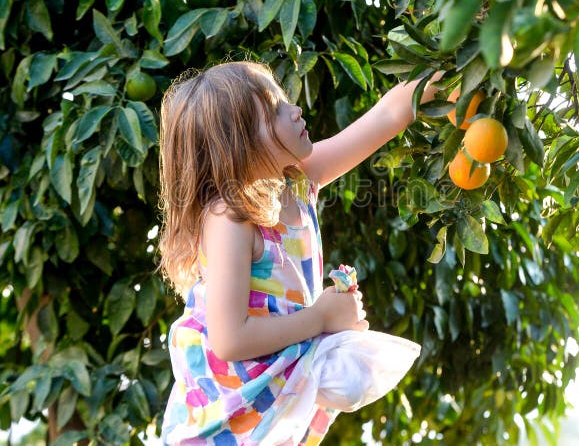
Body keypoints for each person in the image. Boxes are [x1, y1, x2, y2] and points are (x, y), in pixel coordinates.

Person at [157, 61, 439, 445]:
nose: (295, 111)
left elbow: (389, 113)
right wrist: (321, 317)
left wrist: (457, 71)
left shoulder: (298, 181)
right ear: (239, 143)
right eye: (274, 111)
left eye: (284, 101)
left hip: (269, 408)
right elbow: (229, 340)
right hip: (224, 417)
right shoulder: (230, 217)